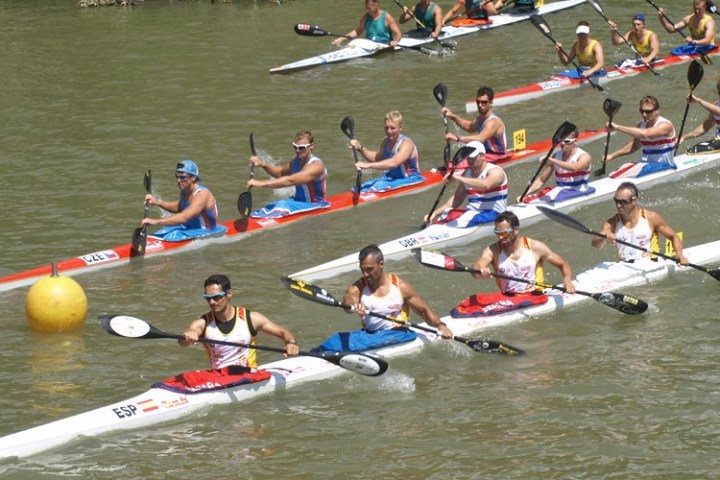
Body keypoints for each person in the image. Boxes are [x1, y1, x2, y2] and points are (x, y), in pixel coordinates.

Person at [156, 275, 300, 393]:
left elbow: (283, 332)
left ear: (229, 294)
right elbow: (183, 341)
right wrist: (187, 337)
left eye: (217, 297)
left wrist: (290, 343)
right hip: (219, 378)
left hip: (247, 375)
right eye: (207, 298)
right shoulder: (202, 324)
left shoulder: (251, 318)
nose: (212, 302)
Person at [312, 244, 453, 352]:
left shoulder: (401, 286)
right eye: (362, 269)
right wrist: (354, 306)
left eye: (369, 269)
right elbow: (349, 299)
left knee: (338, 343)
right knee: (337, 339)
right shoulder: (358, 287)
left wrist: (440, 325)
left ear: (381, 264)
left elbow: (423, 311)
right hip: (370, 334)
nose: (365, 274)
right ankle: (317, 354)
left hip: (398, 334)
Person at [451, 211, 575, 318]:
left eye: (504, 233)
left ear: (516, 230)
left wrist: (567, 280)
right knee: (470, 302)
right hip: (509, 298)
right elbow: (477, 267)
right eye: (497, 233)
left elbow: (563, 264)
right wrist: (480, 271)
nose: (500, 237)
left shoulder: (535, 247)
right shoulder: (493, 250)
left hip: (534, 296)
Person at [591, 182, 688, 265]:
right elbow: (595, 244)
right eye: (616, 201)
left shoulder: (651, 218)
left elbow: (673, 237)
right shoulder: (612, 222)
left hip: (649, 264)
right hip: (625, 266)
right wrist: (604, 237)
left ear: (635, 200)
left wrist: (679, 255)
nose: (618, 205)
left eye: (623, 202)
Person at [248, 130, 330, 219]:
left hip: (315, 205)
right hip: (298, 202)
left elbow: (291, 180)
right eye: (295, 147)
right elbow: (281, 173)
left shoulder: (316, 166)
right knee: (270, 206)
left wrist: (261, 183)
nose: (297, 150)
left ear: (311, 146)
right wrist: (263, 164)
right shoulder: (296, 160)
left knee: (282, 204)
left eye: (301, 147)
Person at [425, 141, 508, 227]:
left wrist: (458, 177)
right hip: (472, 214)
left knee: (460, 219)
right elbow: (457, 199)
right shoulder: (467, 173)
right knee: (447, 212)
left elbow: (486, 185)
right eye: (468, 158)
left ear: (483, 156)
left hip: (495, 214)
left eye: (473, 157)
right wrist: (434, 214)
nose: (469, 161)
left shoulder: (495, 171)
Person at [141, 160, 227, 242]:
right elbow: (179, 206)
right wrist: (158, 202)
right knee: (159, 233)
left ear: (193, 178)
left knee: (171, 234)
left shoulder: (202, 194)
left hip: (206, 231)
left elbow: (184, 217)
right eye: (177, 177)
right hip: (188, 228)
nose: (179, 181)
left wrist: (155, 222)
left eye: (182, 177)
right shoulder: (185, 191)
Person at [349, 111, 424, 192]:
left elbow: (394, 163)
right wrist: (360, 148)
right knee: (359, 188)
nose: (388, 131)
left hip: (410, 180)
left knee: (377, 186)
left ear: (400, 127)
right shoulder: (386, 141)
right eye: (386, 127)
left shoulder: (406, 144)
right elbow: (377, 158)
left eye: (392, 128)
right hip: (390, 178)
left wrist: (367, 165)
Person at [603, 95, 677, 178]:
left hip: (665, 167)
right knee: (623, 167)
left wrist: (617, 127)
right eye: (642, 111)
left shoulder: (665, 125)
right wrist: (612, 156)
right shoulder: (641, 125)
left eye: (648, 111)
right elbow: (633, 146)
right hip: (646, 165)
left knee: (618, 176)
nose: (644, 114)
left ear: (657, 111)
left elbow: (645, 134)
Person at [518, 128, 595, 204]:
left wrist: (552, 160)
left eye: (566, 141)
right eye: (561, 140)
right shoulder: (556, 156)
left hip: (579, 190)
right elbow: (541, 180)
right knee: (529, 199)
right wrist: (525, 194)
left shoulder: (584, 156)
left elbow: (575, 168)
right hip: (561, 190)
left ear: (575, 141)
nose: (562, 144)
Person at [442, 86, 508, 161]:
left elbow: (480, 138)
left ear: (490, 102)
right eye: (478, 102)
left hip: (498, 156)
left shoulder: (494, 121)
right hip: (485, 155)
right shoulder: (480, 119)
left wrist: (457, 138)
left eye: (484, 102)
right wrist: (452, 116)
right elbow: (469, 127)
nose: (480, 105)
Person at [332, 0, 402, 47]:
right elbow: (358, 31)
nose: (367, 10)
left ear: (376, 4)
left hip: (384, 44)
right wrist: (341, 39)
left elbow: (398, 33)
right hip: (369, 43)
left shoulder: (387, 17)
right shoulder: (366, 16)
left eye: (369, 8)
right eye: (366, 7)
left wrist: (395, 41)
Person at [678, 79, 720, 153]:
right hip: (718, 141)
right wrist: (683, 137)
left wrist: (698, 100)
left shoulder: (715, 108)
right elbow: (704, 127)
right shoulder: (716, 105)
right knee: (693, 150)